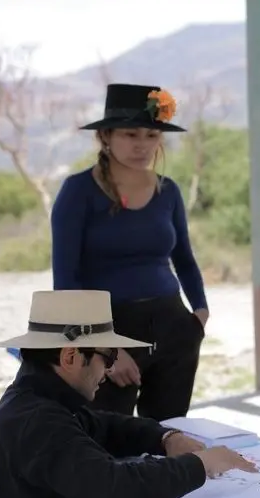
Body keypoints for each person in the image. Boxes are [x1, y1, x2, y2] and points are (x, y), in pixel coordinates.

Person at [0, 290, 256, 498]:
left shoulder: (41, 402)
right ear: (70, 357)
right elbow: (117, 491)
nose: (108, 371)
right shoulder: (37, 422)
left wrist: (166, 437)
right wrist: (201, 464)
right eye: (108, 357)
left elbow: (106, 426)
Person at [50, 83, 208, 423]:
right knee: (104, 436)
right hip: (107, 328)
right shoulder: (78, 191)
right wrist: (103, 347)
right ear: (105, 136)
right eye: (130, 134)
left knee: (166, 434)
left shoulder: (168, 191)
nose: (142, 145)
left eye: (152, 135)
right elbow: (65, 280)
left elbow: (184, 259)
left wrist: (198, 315)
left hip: (173, 327)